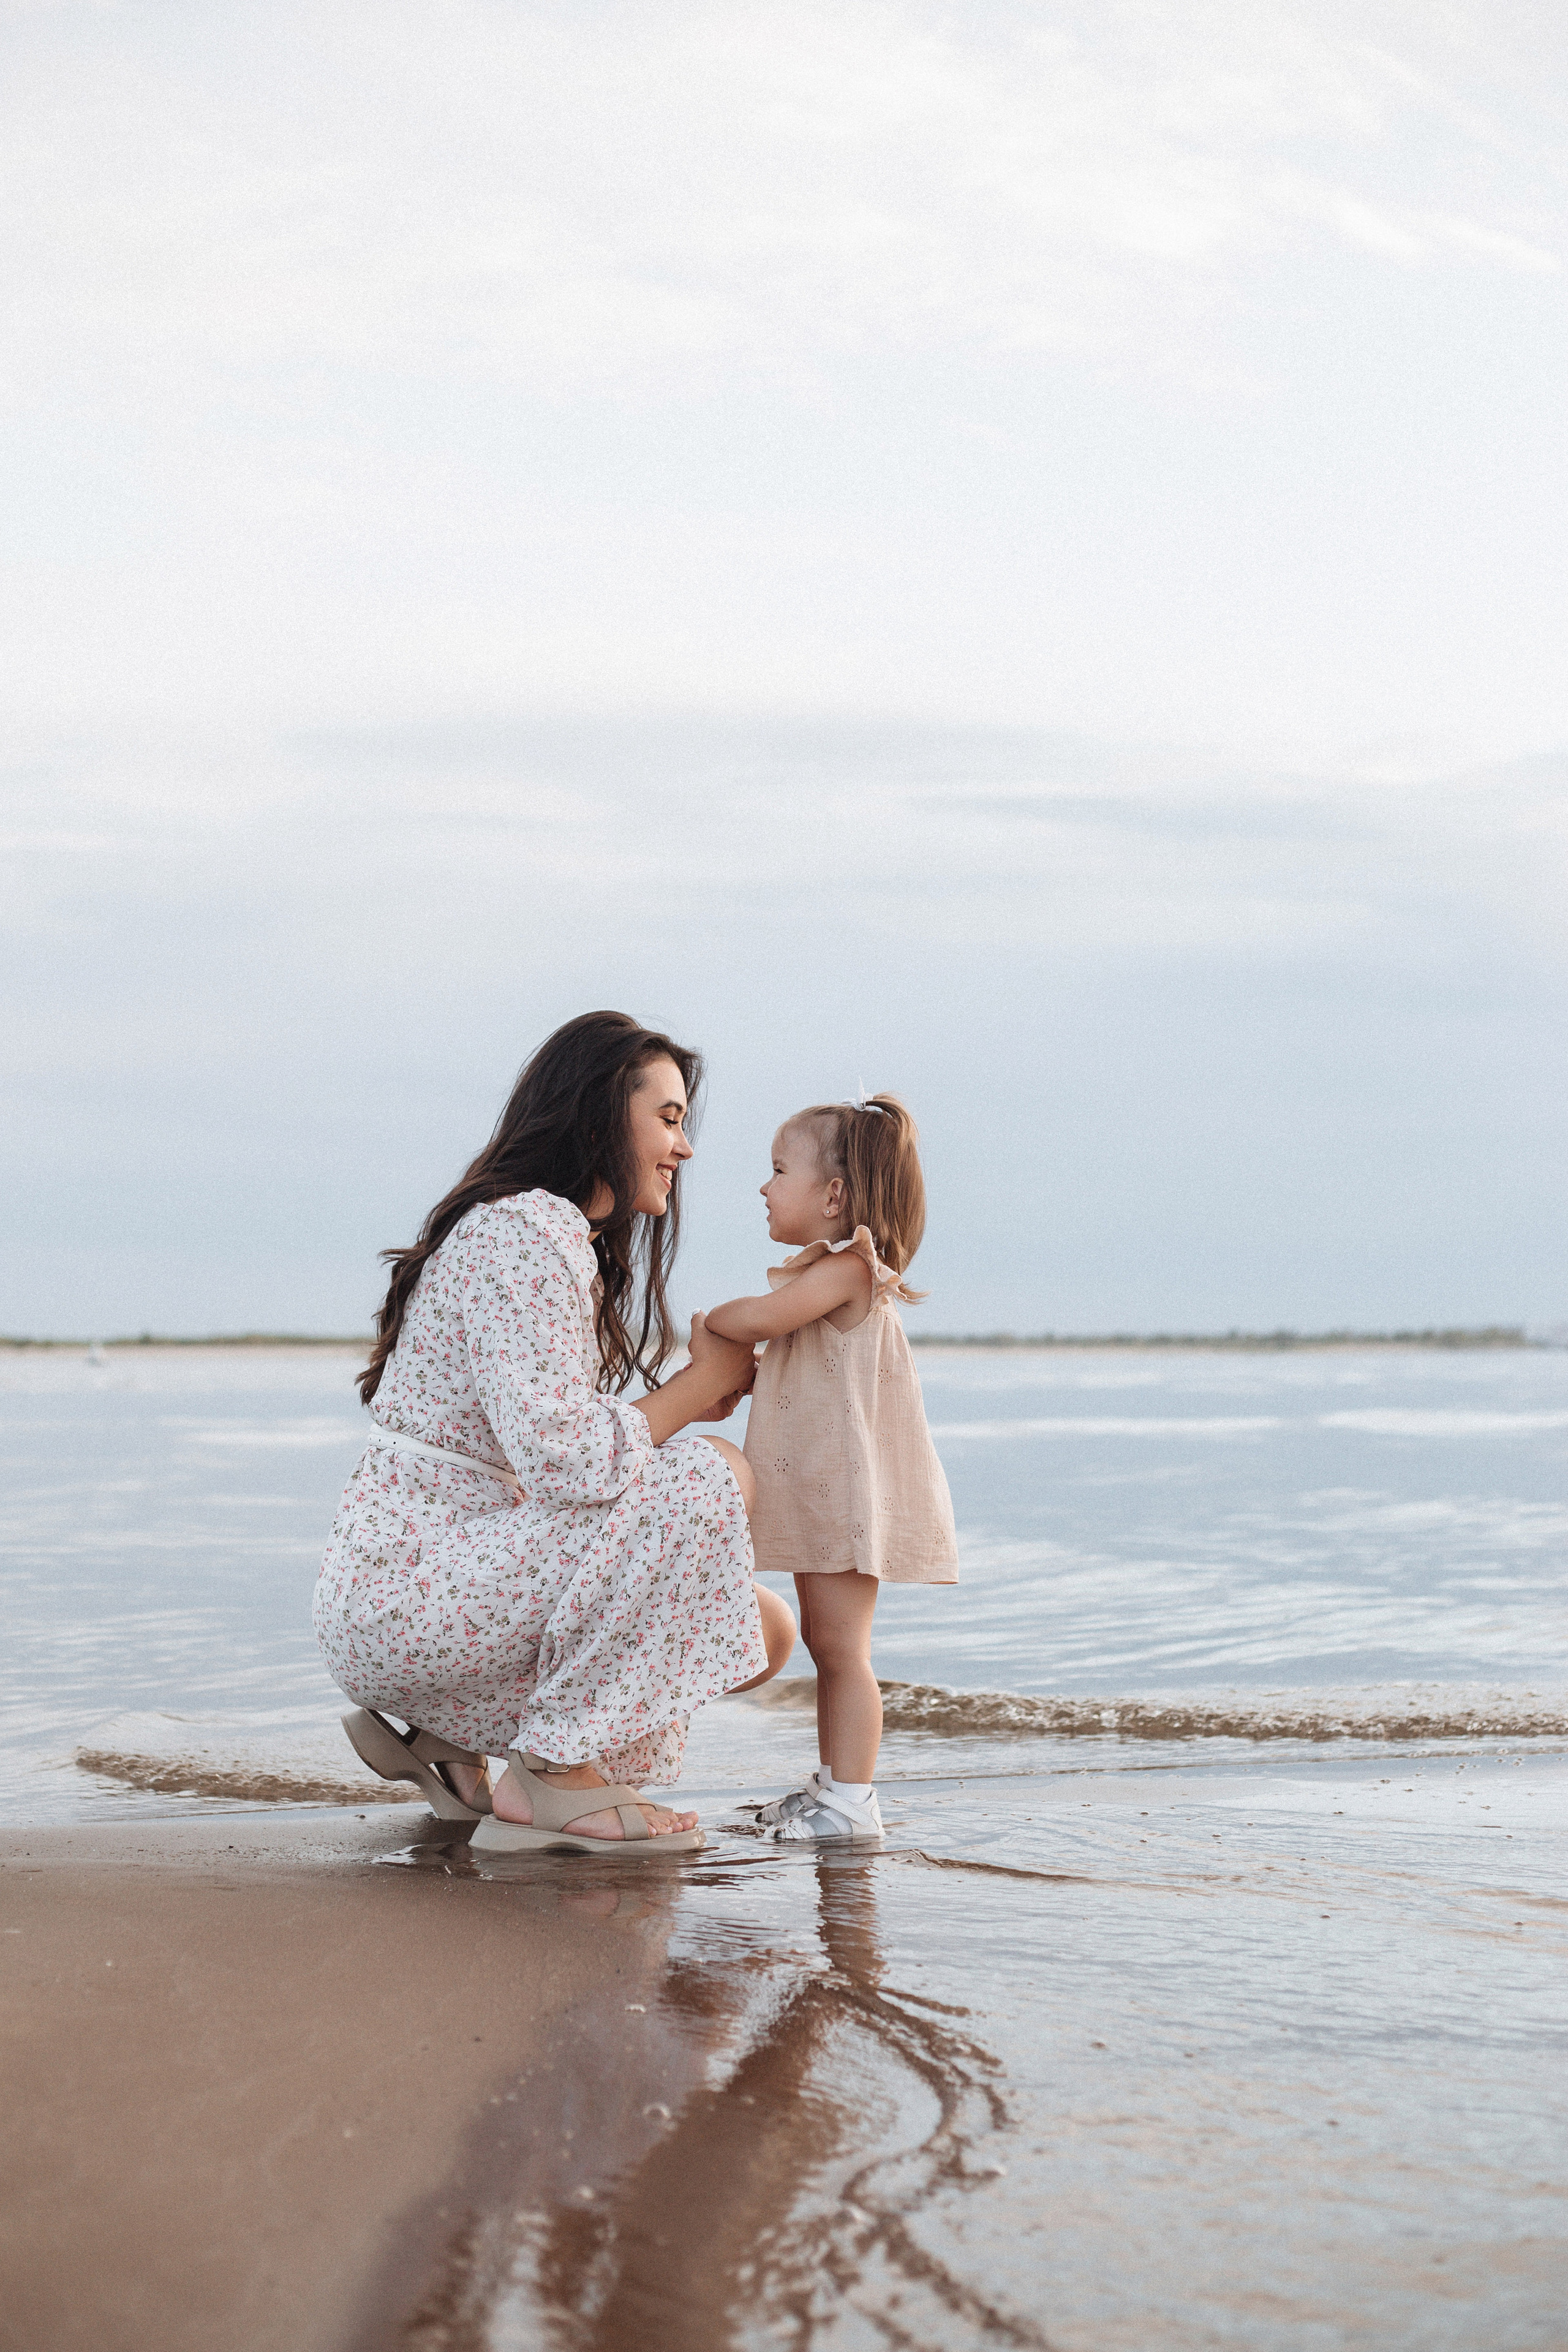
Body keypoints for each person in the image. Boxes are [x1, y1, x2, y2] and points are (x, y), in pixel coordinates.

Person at [312, 1011, 795, 1852]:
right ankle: (554, 1775)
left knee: (760, 1626)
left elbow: (555, 1464)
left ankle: (447, 1741)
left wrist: (685, 1399)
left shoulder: (535, 1234)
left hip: (435, 1591)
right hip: (411, 1595)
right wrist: (698, 1387)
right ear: (603, 1112)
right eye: (670, 1119)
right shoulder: (526, 1230)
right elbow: (569, 1461)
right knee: (712, 1475)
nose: (684, 1149)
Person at [705, 1093, 957, 1840]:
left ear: (834, 1196)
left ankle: (853, 1800)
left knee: (842, 1648)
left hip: (846, 1499)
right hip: (825, 1493)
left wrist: (711, 1325)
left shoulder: (851, 1268)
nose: (763, 1187)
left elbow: (755, 1320)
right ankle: (833, 1784)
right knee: (827, 1644)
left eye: (778, 1170)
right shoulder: (825, 1274)